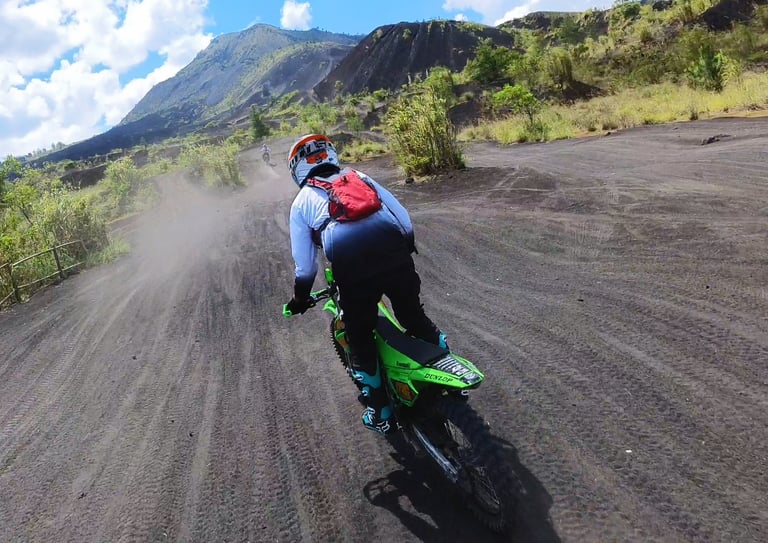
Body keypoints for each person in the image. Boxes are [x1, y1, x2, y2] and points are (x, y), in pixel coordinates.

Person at [284, 134, 447, 435]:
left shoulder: (301, 202)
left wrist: (299, 299)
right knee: (412, 315)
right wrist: (404, 250)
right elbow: (402, 217)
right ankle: (447, 366)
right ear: (331, 154)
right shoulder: (358, 176)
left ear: (297, 168)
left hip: (353, 269)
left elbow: (305, 266)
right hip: (394, 251)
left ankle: (381, 412)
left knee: (359, 338)